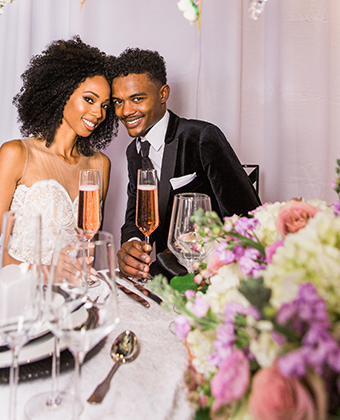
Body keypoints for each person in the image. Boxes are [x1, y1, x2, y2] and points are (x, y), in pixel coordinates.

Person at [112, 48, 261, 279]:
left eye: (137, 98)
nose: (125, 111)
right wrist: (130, 244)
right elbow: (134, 216)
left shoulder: (201, 137)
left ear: (163, 94)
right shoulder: (134, 151)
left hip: (211, 277)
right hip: (162, 278)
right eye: (118, 102)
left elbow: (247, 218)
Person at [0, 37, 117, 271]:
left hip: (70, 296)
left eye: (105, 105)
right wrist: (47, 274)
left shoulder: (100, 164)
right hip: (19, 291)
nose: (98, 113)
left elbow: (88, 247)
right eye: (89, 99)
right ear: (62, 93)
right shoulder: (16, 154)